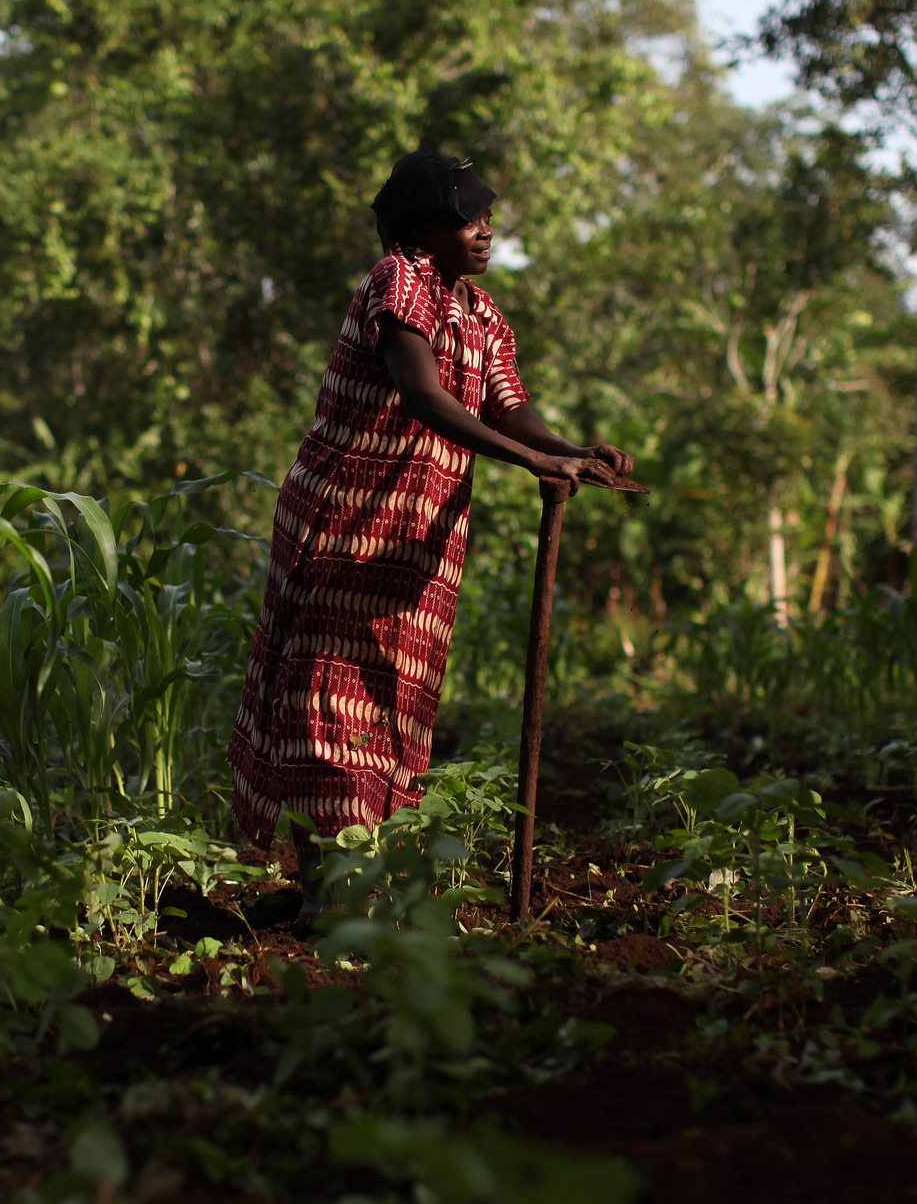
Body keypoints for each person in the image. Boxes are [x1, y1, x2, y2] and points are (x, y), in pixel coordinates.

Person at [225, 151, 634, 919]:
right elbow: (422, 394)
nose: (485, 231)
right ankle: (335, 898)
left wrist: (574, 452)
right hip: (344, 529)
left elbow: (508, 406)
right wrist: (534, 460)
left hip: (416, 548)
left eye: (486, 218)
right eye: (467, 218)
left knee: (387, 703)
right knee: (328, 703)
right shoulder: (397, 282)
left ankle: (358, 889)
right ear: (425, 227)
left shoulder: (482, 314)